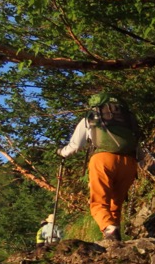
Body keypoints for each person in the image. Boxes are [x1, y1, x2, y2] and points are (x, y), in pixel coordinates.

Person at [58, 93, 140, 241]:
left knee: (99, 202)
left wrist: (61, 153)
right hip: (129, 162)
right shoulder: (128, 118)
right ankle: (114, 238)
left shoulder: (91, 118)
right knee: (116, 204)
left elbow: (75, 146)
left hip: (103, 160)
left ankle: (109, 229)